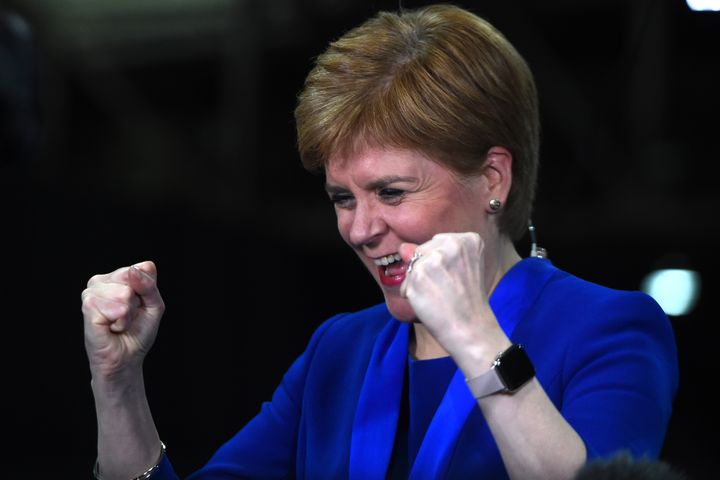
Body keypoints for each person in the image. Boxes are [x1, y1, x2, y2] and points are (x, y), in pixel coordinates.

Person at [81, 4, 679, 479]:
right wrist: (118, 387)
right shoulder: (339, 351)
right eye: (344, 198)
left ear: (493, 178)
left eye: (391, 193)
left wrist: (473, 335)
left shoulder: (609, 329)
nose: (360, 230)